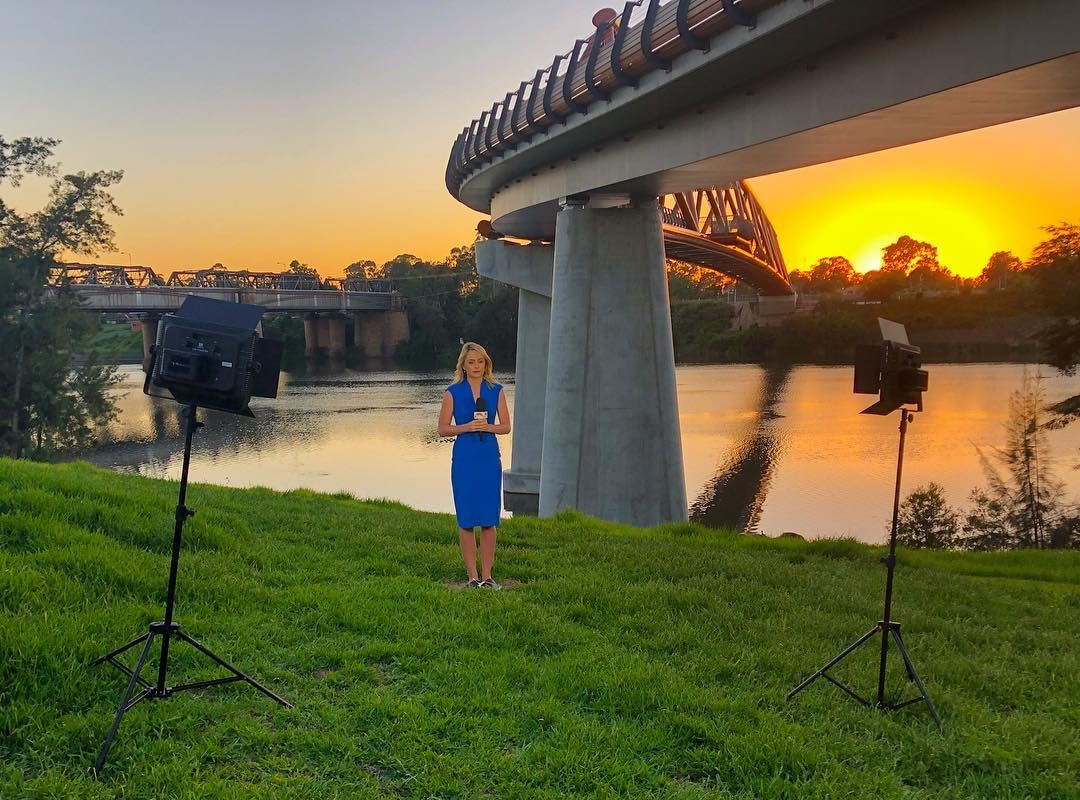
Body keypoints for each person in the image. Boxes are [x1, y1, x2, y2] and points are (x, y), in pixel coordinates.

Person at [438, 342, 511, 589]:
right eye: (471, 362)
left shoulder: (496, 390)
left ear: (486, 363)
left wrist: (487, 427)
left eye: (480, 361)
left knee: (489, 519)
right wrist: (467, 427)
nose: (476, 366)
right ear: (464, 366)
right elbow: (442, 429)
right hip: (464, 459)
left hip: (489, 458)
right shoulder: (452, 392)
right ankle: (472, 577)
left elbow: (506, 426)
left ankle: (487, 577)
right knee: (466, 519)